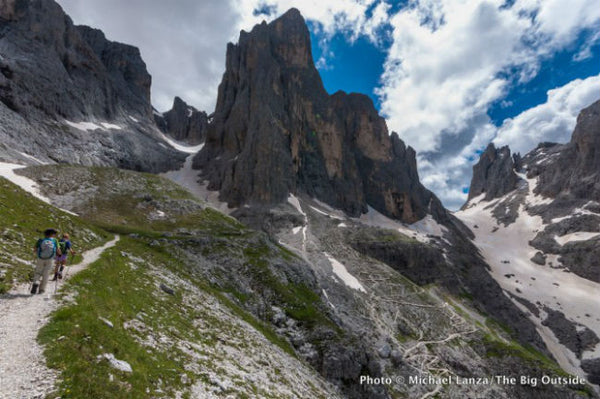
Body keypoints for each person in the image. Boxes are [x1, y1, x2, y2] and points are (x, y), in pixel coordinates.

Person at [32, 228, 61, 294]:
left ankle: (36, 282)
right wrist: (59, 255)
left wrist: (37, 253)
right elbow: (58, 250)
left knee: (38, 272)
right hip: (50, 259)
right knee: (46, 274)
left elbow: (34, 249)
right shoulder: (55, 240)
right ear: (52, 234)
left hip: (40, 258)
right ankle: (42, 290)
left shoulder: (40, 240)